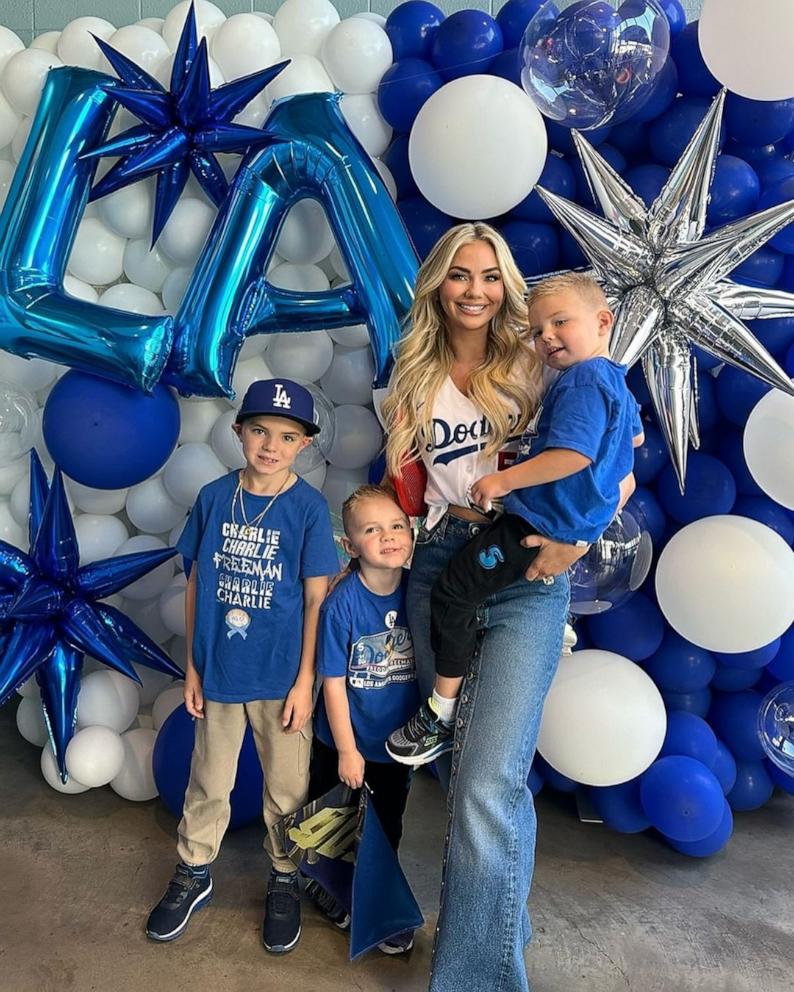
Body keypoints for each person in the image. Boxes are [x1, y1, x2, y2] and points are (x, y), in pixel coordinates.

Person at [381, 223, 590, 992]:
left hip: (526, 570)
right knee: (472, 775)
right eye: (460, 275)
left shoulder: (539, 364)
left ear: (508, 286)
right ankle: (505, 919)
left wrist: (580, 539)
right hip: (440, 566)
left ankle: (477, 979)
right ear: (439, 283)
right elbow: (404, 489)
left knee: (485, 781)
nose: (475, 290)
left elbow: (612, 465)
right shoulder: (410, 373)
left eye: (490, 276)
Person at [387, 271, 643, 766]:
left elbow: (574, 455)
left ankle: (440, 711)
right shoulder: (608, 377)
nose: (547, 337)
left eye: (560, 323)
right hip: (480, 527)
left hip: (530, 527)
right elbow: (629, 448)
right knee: (465, 768)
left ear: (603, 321)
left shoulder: (576, 378)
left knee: (455, 593)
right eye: (539, 330)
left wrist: (560, 520)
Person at [145, 378, 340, 955]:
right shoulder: (212, 497)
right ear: (238, 433)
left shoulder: (307, 507)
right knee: (208, 782)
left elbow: (315, 600)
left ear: (303, 444)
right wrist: (194, 668)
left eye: (285, 436)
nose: (270, 445)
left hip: (282, 679)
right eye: (259, 431)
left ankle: (284, 878)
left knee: (286, 790)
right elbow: (198, 582)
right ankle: (194, 871)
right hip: (222, 673)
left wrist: (306, 681)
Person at [305, 484, 419, 955]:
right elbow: (332, 682)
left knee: (385, 827)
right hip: (343, 742)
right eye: (373, 530)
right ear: (351, 547)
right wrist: (348, 750)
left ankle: (378, 901)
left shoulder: (419, 592)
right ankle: (324, 887)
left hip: (396, 747)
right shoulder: (342, 604)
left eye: (397, 526)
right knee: (333, 825)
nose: (389, 536)